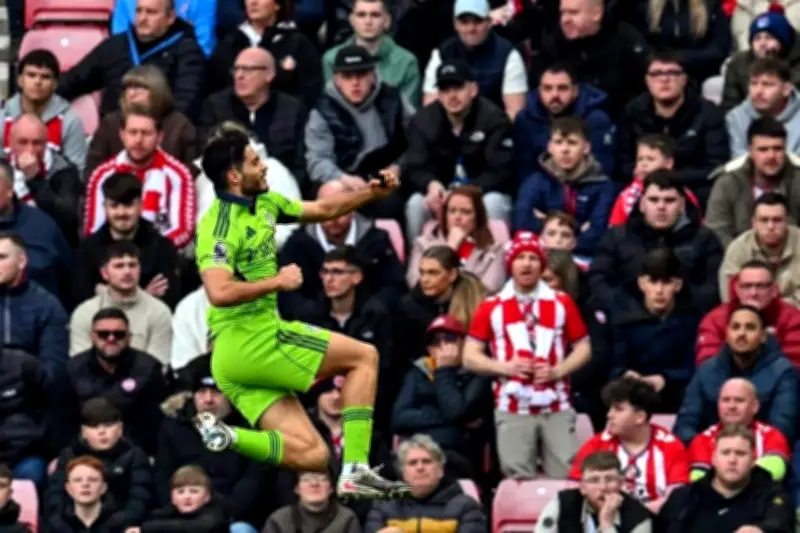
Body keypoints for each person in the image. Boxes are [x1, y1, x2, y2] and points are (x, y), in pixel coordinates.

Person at [193, 127, 410, 499]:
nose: (264, 168)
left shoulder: (264, 203)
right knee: (363, 357)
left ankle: (227, 435)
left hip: (235, 364)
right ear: (233, 176)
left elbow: (325, 209)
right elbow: (218, 291)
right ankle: (357, 470)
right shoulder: (218, 227)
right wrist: (275, 282)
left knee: (313, 454)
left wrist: (372, 192)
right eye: (255, 162)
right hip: (251, 340)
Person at [569, 378, 689, 513]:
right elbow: (574, 488)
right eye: (610, 408)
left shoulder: (671, 447)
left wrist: (634, 515)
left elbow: (677, 497)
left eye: (618, 409)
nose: (609, 415)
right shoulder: (596, 444)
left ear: (640, 417)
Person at [657, 424, 793, 533]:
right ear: (714, 458)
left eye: (740, 454)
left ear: (753, 460)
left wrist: (761, 530)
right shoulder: (684, 498)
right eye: (725, 453)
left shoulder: (772, 497)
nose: (732, 460)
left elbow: (779, 525)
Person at [535, 451, 653, 533]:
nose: (603, 487)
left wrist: (606, 523)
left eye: (610, 479)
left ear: (621, 484)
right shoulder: (561, 504)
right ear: (582, 488)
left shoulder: (639, 518)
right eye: (594, 480)